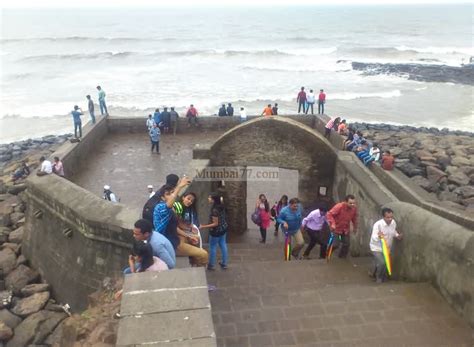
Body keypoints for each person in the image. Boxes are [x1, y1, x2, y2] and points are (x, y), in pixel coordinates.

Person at [153, 177, 191, 249]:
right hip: (163, 244)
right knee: (203, 254)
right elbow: (168, 206)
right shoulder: (160, 207)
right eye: (168, 194)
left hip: (172, 240)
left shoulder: (175, 206)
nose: (171, 196)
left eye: (172, 193)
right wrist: (179, 186)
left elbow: (175, 227)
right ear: (163, 198)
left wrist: (189, 235)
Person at [174, 192, 209, 267]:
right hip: (177, 241)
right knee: (204, 254)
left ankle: (195, 262)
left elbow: (179, 223)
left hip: (181, 235)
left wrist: (190, 229)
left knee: (197, 239)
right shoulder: (177, 209)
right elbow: (176, 227)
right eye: (188, 199)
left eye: (191, 201)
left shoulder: (184, 209)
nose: (189, 201)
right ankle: (200, 268)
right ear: (183, 197)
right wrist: (189, 233)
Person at [369, 208, 402, 283]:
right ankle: (379, 278)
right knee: (382, 262)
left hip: (387, 248)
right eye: (388, 217)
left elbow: (393, 231)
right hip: (376, 248)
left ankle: (374, 273)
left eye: (391, 217)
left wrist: (397, 235)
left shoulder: (393, 223)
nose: (390, 219)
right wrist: (379, 236)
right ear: (383, 217)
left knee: (383, 263)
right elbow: (374, 238)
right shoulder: (378, 225)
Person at [200, 193, 228, 271]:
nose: (208, 199)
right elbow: (221, 199)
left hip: (216, 231)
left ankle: (211, 265)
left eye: (210, 198)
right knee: (223, 244)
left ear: (213, 200)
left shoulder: (215, 210)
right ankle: (224, 263)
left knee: (212, 247)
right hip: (224, 228)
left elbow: (215, 224)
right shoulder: (221, 205)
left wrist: (203, 226)